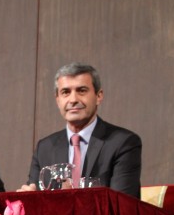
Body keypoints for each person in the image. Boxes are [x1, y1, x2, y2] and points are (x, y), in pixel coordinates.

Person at [18, 62, 142, 198]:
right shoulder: (45, 147)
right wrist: (28, 198)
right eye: (65, 92)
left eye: (81, 91)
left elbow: (122, 204)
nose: (73, 99)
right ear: (57, 100)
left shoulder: (123, 142)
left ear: (98, 96)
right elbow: (34, 196)